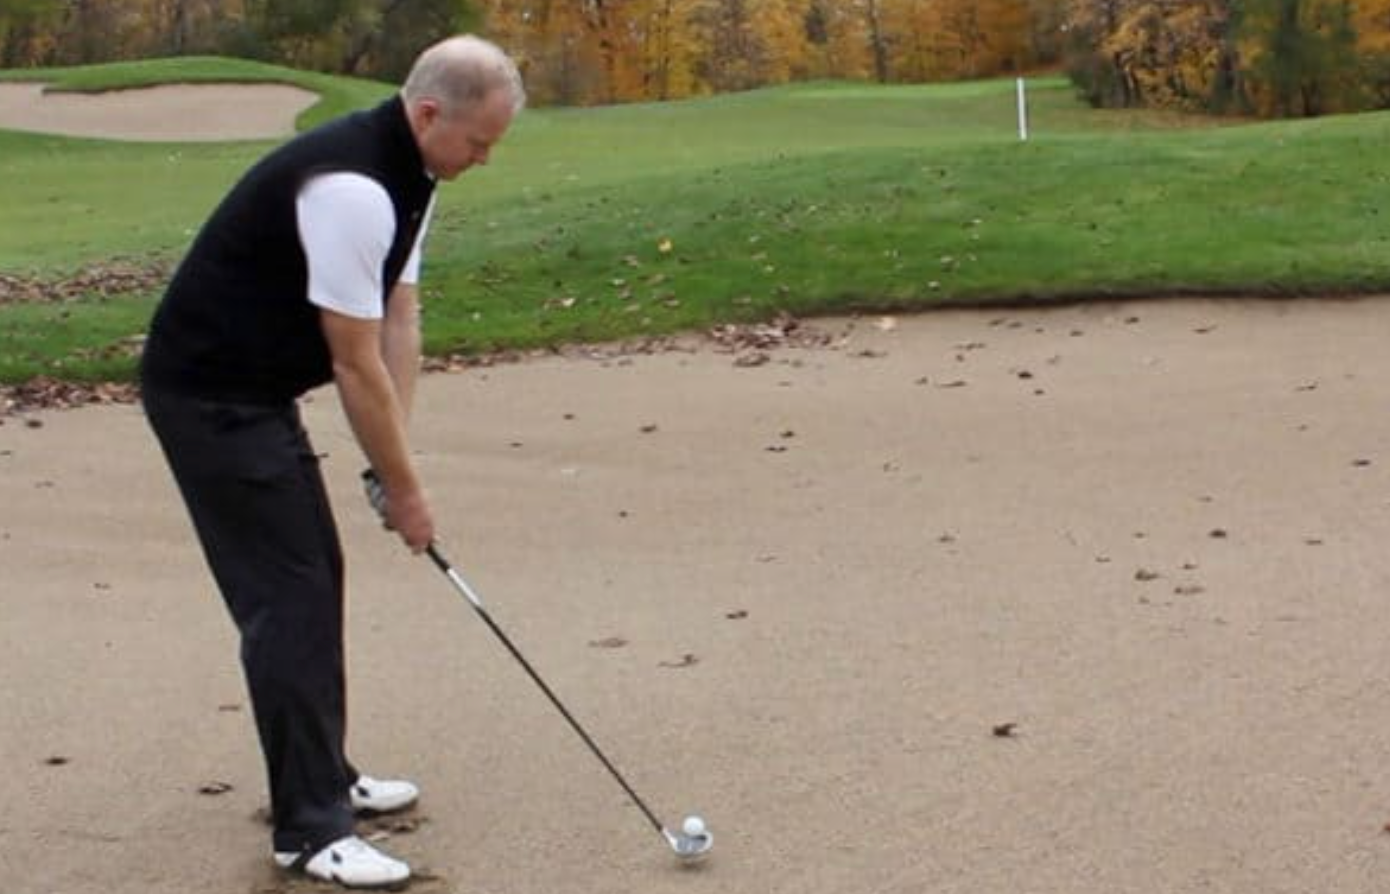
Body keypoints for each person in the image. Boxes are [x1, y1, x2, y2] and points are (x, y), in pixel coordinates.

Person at [139, 35, 525, 889]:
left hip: (254, 393)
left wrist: (393, 466)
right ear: (429, 114)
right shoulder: (352, 188)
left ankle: (325, 777)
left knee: (314, 576)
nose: (483, 159)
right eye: (478, 142)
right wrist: (406, 490)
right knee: (289, 599)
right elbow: (351, 361)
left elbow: (398, 320)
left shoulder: (413, 175)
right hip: (208, 396)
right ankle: (310, 832)